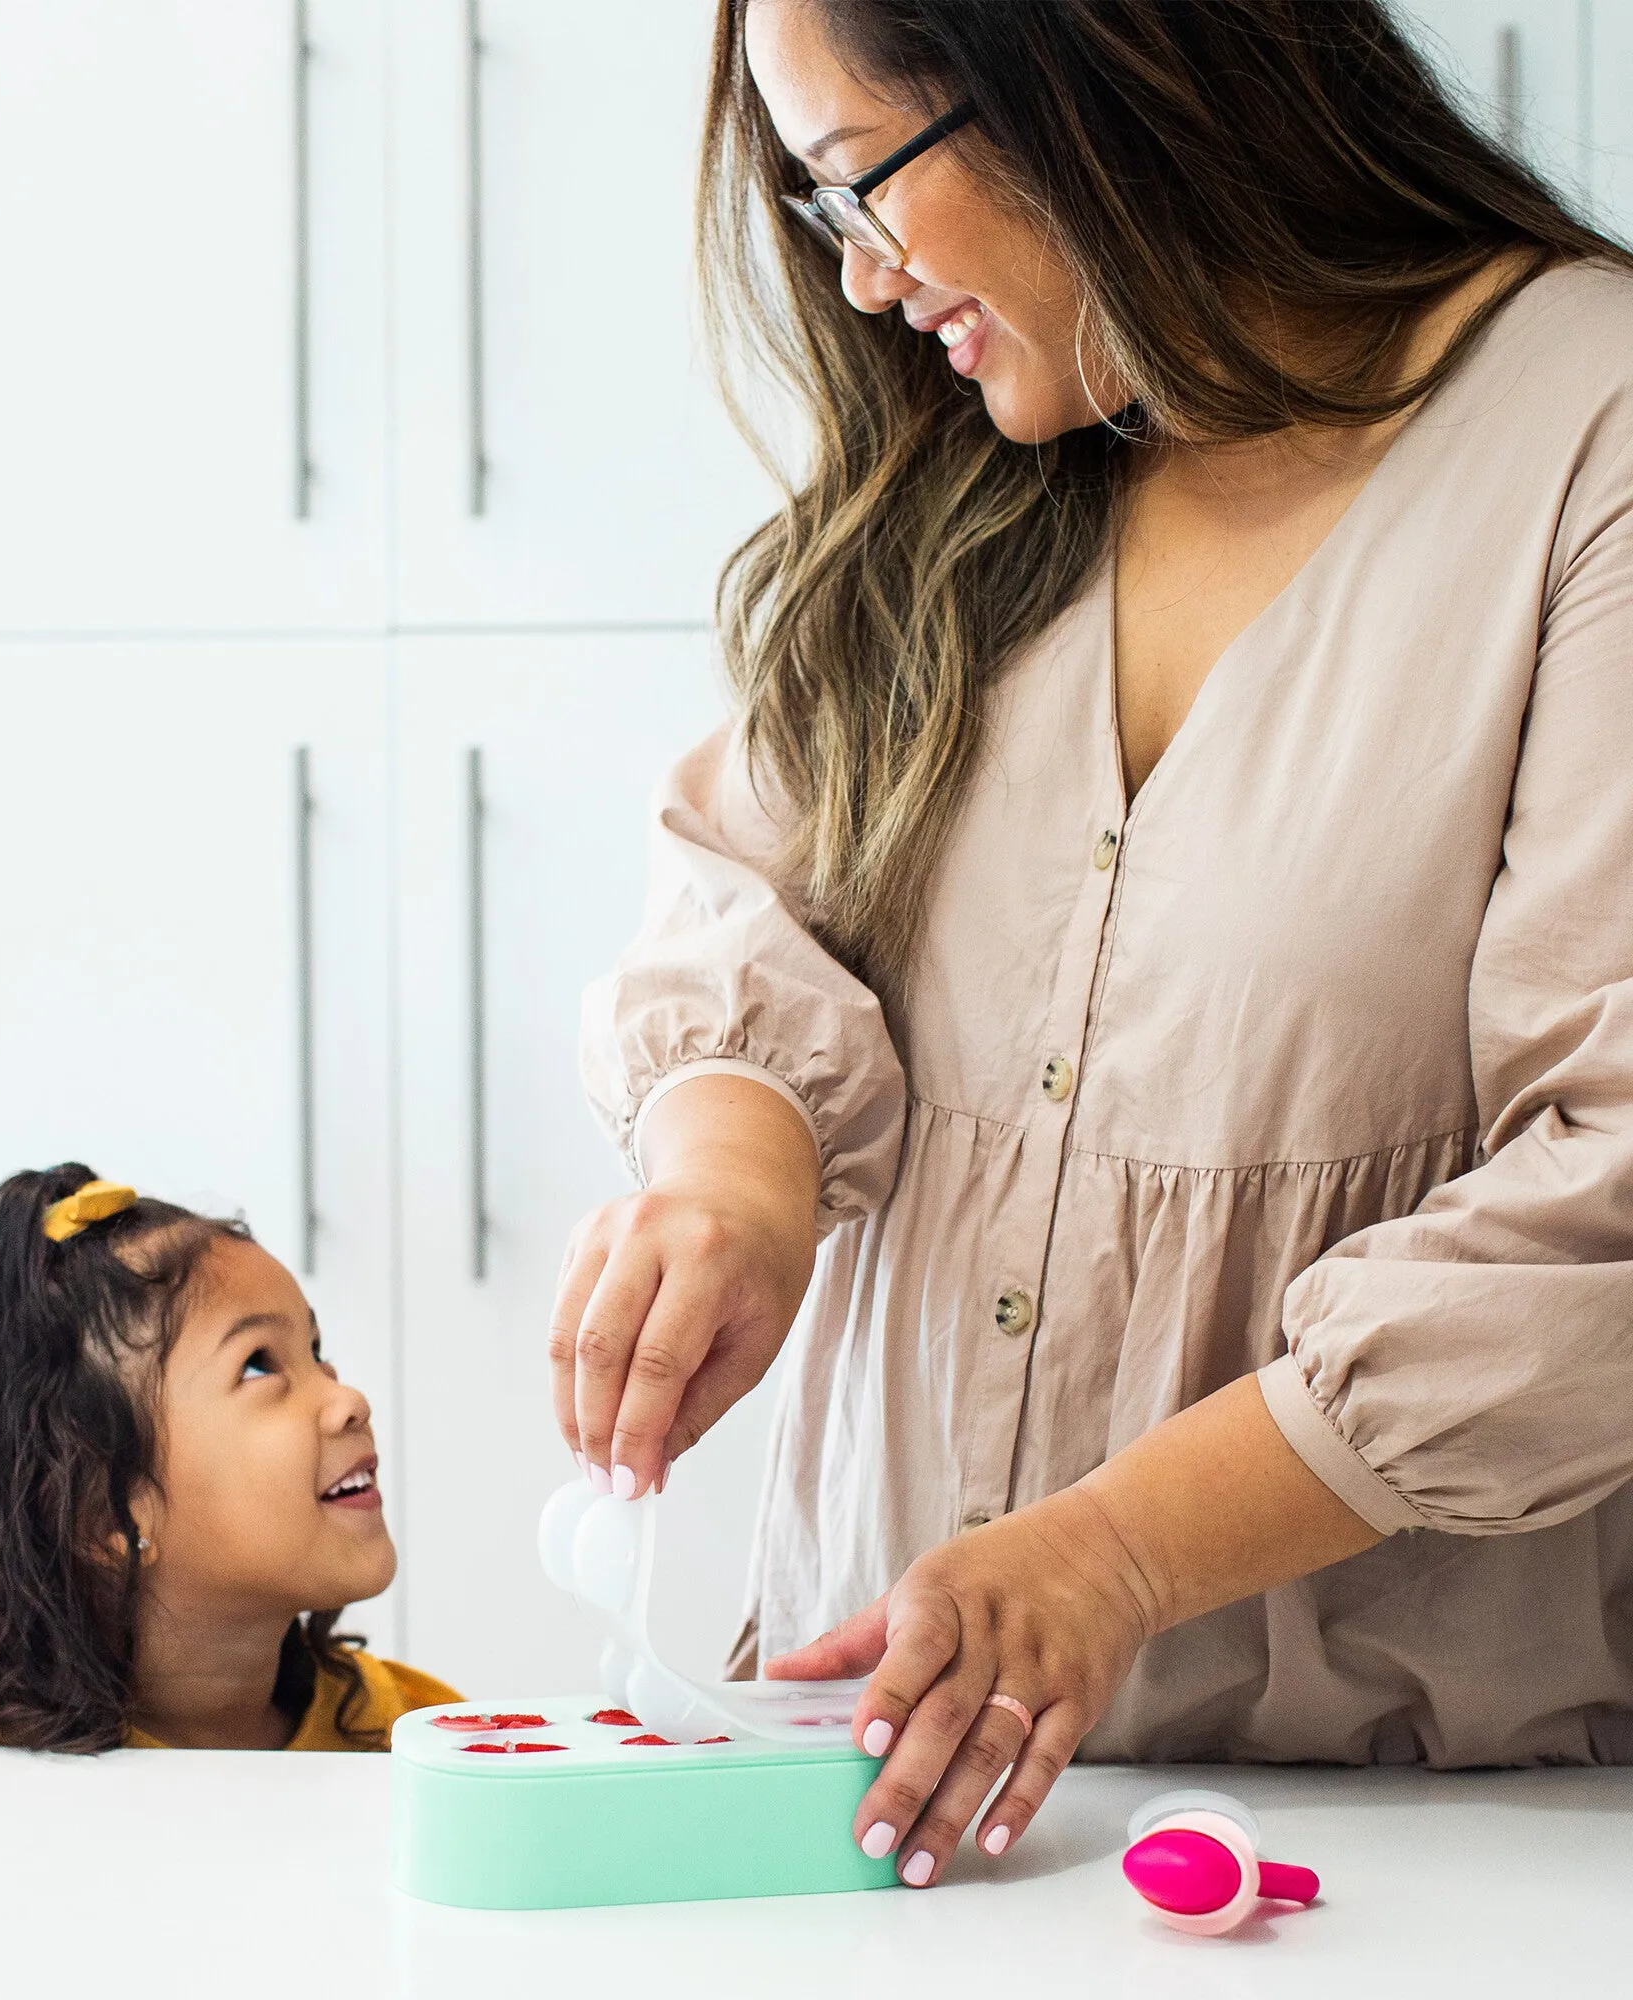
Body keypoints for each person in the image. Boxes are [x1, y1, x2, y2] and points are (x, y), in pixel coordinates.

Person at [556, 0, 1633, 1891]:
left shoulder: (1588, 440)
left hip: (1423, 1850)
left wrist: (1121, 1550)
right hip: (884, 1817)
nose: (870, 282)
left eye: (866, 186)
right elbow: (748, 880)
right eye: (819, 215)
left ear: (1105, 65)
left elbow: (1615, 1193)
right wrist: (736, 1165)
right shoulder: (977, 462)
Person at [0, 1165, 455, 1750]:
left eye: (313, 1350)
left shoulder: (401, 1738)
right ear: (104, 1514)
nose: (347, 1398)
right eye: (256, 1366)